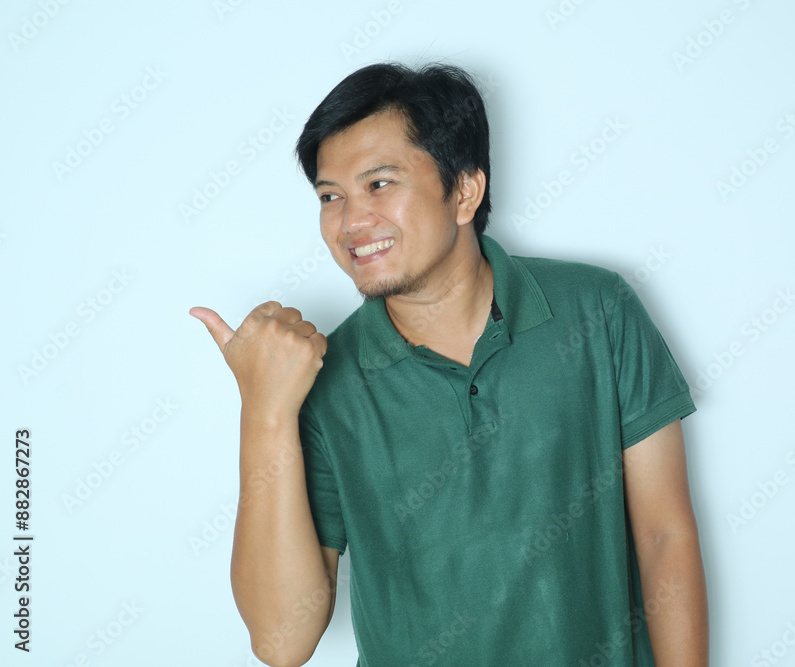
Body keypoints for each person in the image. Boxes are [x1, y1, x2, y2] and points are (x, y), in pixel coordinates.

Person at [190, 61, 708, 667]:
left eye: (379, 184)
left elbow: (665, 536)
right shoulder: (323, 381)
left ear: (464, 190)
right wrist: (265, 410)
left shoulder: (597, 308)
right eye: (331, 196)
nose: (352, 222)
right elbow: (281, 642)